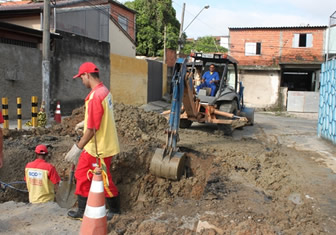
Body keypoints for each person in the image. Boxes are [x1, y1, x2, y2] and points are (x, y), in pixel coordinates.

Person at [65, 62, 121, 221]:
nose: (81, 80)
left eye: (81, 77)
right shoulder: (104, 91)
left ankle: (115, 211)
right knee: (82, 174)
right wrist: (86, 121)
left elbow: (92, 129)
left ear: (87, 75)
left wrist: (77, 147)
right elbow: (101, 116)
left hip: (99, 147)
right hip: (98, 145)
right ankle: (83, 211)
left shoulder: (95, 96)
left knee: (104, 179)